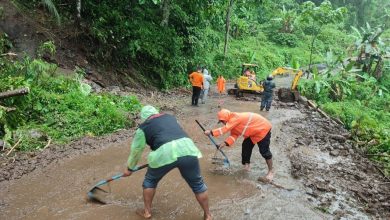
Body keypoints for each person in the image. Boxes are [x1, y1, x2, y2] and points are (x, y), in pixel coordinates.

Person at [124, 105, 212, 220]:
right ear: (156, 112)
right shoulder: (170, 117)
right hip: (187, 148)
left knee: (150, 181)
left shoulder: (142, 128)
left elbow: (136, 151)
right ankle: (208, 215)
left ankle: (147, 212)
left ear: (144, 118)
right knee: (198, 185)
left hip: (163, 152)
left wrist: (129, 168)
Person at [203, 108, 274, 182]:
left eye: (222, 121)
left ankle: (270, 171)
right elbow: (234, 135)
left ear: (226, 118)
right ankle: (247, 166)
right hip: (253, 132)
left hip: (262, 129)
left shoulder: (235, 118)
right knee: (246, 146)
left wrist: (211, 132)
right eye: (221, 121)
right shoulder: (232, 123)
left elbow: (225, 129)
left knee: (264, 151)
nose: (222, 123)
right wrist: (224, 144)